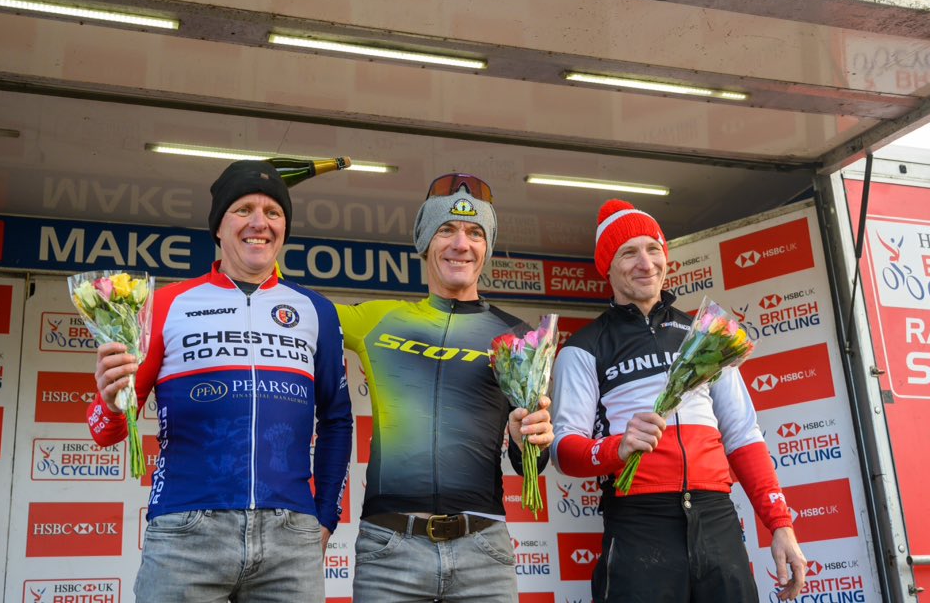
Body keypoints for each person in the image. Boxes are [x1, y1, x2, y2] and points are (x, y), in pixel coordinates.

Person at [87, 160, 353, 603]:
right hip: (186, 532)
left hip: (291, 535)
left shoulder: (316, 310)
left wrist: (324, 517)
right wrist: (112, 404)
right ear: (218, 226)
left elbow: (338, 421)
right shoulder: (165, 304)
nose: (259, 223)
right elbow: (103, 431)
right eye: (244, 209)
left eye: (273, 212)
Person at [551, 199, 806, 603]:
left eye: (653, 249)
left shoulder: (704, 334)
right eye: (629, 252)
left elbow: (742, 434)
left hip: (716, 515)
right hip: (639, 520)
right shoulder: (583, 348)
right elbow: (565, 451)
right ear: (608, 266)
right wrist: (617, 448)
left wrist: (780, 524)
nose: (645, 263)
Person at [335, 172, 554, 603]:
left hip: (483, 553)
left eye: (475, 233)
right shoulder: (376, 318)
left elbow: (532, 463)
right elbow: (285, 302)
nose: (461, 244)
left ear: (486, 248)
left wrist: (528, 441)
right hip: (390, 551)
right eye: (447, 230)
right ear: (424, 242)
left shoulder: (517, 336)